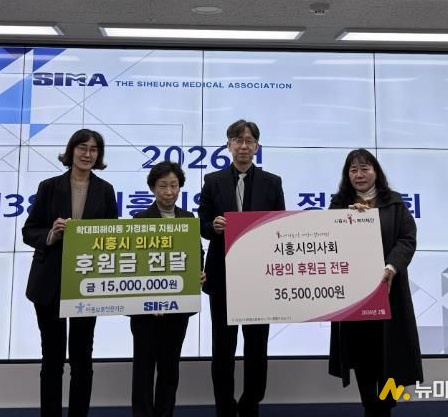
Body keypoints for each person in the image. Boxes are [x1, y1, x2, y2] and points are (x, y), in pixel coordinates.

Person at [23, 129, 118, 417]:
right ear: (71, 150)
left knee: (82, 359)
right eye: (82, 147)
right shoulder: (49, 186)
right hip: (49, 282)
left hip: (87, 283)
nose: (87, 154)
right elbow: (29, 231)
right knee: (52, 359)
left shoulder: (105, 190)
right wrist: (51, 235)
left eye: (94, 149)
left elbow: (113, 236)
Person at [198, 119, 285, 417]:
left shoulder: (272, 182)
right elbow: (202, 224)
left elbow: (281, 226)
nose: (243, 146)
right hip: (222, 275)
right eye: (238, 140)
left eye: (249, 141)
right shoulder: (212, 181)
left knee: (257, 345)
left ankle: (250, 403)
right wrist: (213, 226)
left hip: (259, 278)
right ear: (228, 145)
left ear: (257, 147)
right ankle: (224, 406)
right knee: (223, 346)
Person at [328, 148, 423, 417]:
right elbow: (327, 240)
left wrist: (391, 267)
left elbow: (407, 239)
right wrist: (346, 219)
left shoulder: (394, 202)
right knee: (362, 355)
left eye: (364, 168)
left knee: (391, 353)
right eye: (353, 170)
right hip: (355, 296)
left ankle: (386, 405)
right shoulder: (339, 204)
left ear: (376, 172)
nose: (359, 175)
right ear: (347, 175)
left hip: (389, 291)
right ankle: (371, 405)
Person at [130, 160, 204, 417]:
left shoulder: (188, 218)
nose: (169, 192)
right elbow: (133, 261)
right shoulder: (140, 219)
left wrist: (198, 272)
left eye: (174, 185)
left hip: (177, 308)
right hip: (145, 311)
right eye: (163, 186)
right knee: (143, 368)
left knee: (170, 368)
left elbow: (197, 252)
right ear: (153, 188)